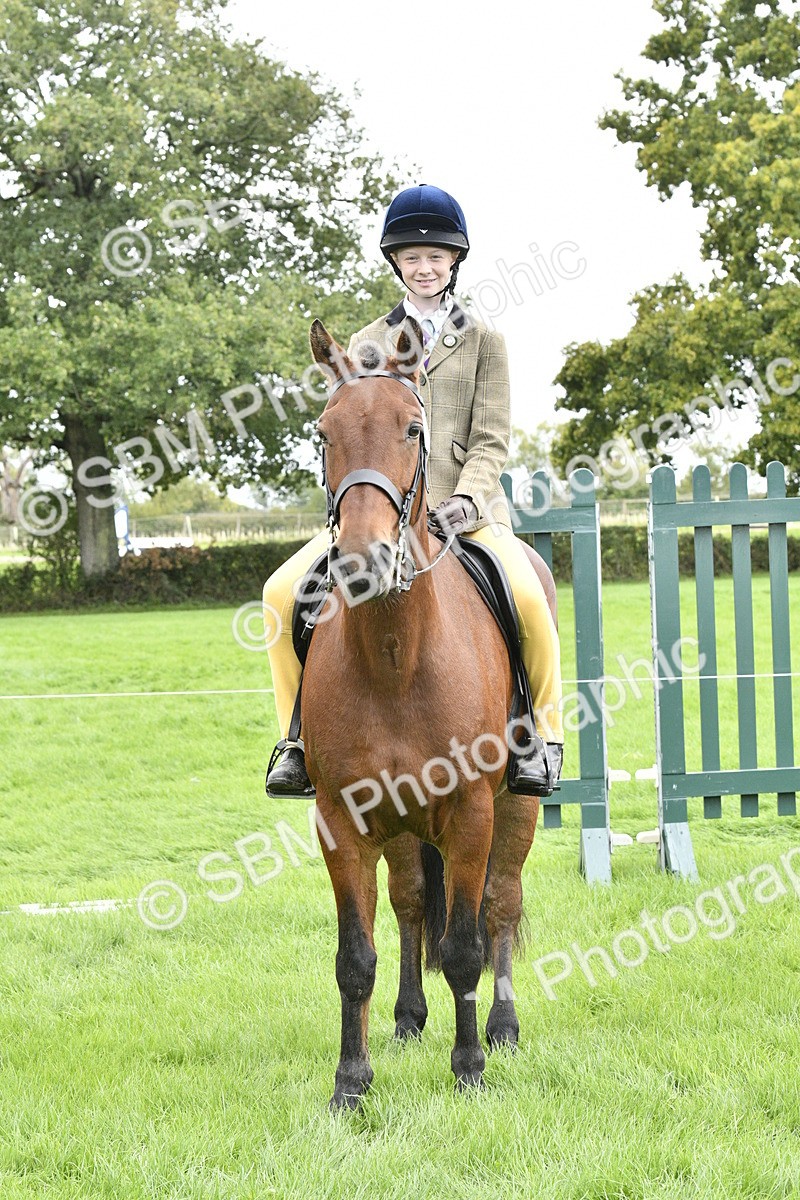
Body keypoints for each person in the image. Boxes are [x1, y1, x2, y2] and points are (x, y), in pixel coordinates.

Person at [263, 184, 563, 798]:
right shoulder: (369, 341)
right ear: (395, 262)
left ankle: (540, 737)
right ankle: (295, 739)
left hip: (466, 511)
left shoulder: (485, 337)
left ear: (454, 261)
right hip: (381, 513)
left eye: (435, 256)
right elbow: (359, 431)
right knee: (279, 593)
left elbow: (492, 438)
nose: (424, 267)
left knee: (529, 597)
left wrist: (466, 501)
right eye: (411, 256)